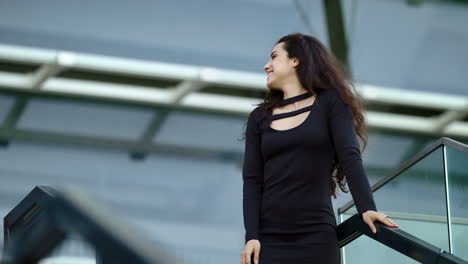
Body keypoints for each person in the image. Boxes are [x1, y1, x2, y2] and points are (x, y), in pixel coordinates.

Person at [239, 33, 399, 264]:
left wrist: (366, 208)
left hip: (315, 237)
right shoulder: (259, 118)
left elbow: (349, 156)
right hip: (269, 240)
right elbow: (252, 180)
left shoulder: (331, 103)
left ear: (296, 60)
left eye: (274, 57)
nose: (266, 66)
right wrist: (251, 236)